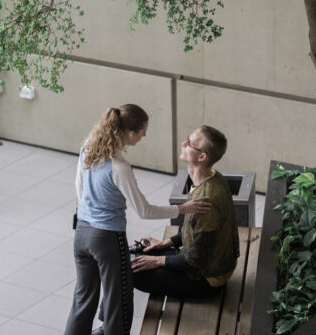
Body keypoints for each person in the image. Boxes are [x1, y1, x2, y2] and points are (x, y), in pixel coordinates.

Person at [64, 105, 211, 335]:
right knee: (118, 299)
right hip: (107, 239)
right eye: (143, 131)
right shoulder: (120, 167)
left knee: (83, 298)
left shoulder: (87, 149)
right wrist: (182, 208)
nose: (145, 135)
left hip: (82, 234)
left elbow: (79, 191)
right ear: (130, 133)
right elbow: (144, 210)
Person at [130, 125, 239, 298]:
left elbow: (195, 260)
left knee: (130, 271)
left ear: (202, 156)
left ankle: (113, 324)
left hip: (207, 280)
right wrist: (166, 244)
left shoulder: (206, 200)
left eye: (189, 143)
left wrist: (157, 261)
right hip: (203, 263)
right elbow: (196, 233)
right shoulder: (211, 176)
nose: (182, 143)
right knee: (135, 254)